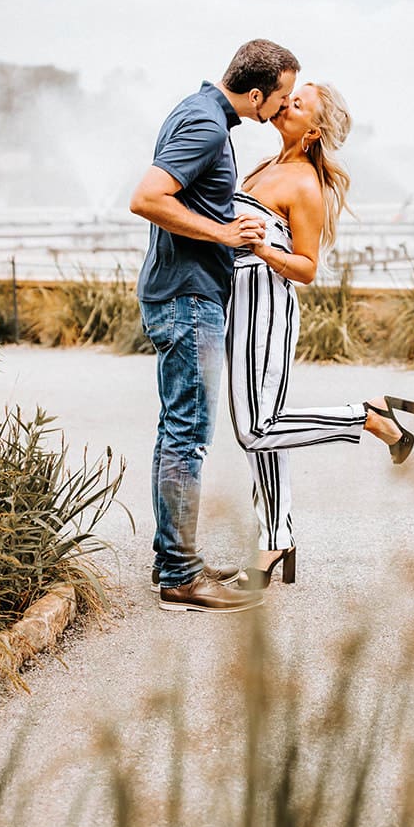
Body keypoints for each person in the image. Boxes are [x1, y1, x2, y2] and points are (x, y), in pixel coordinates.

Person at [224, 82, 414, 590]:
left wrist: (264, 249)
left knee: (255, 428)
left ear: (312, 130)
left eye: (298, 100)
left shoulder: (304, 184)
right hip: (241, 302)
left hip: (266, 301)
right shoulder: (266, 167)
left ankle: (369, 417)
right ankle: (276, 539)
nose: (284, 99)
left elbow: (307, 268)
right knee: (265, 436)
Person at [130, 39, 299, 613]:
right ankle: (180, 578)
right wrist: (226, 234)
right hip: (188, 298)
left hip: (178, 292)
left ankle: (173, 560)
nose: (282, 110)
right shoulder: (206, 126)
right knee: (188, 437)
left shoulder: (195, 111)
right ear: (257, 95)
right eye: (281, 99)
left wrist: (228, 219)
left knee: (174, 432)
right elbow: (147, 199)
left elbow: (184, 199)